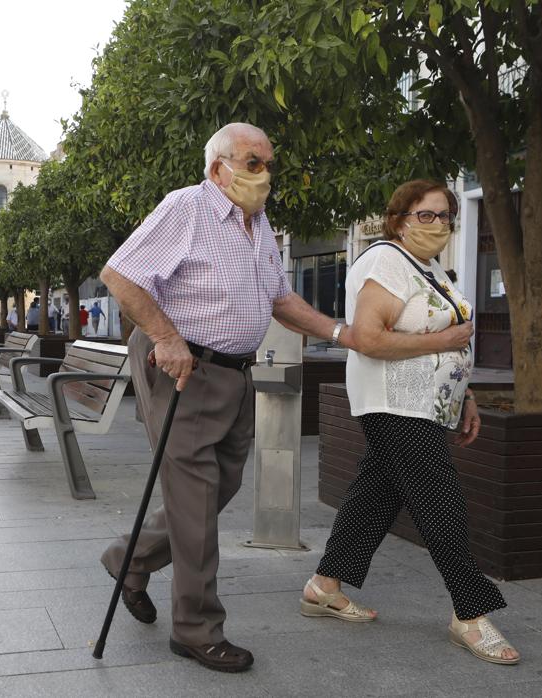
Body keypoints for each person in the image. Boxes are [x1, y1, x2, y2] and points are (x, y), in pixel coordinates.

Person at [98, 123, 384, 672]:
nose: (264, 174)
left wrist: (341, 334)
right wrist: (165, 335)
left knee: (217, 488)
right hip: (182, 368)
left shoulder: (258, 225)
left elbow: (279, 297)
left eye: (269, 164)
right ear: (218, 168)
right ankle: (197, 627)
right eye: (253, 162)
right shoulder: (187, 208)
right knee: (198, 499)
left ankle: (127, 560)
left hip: (232, 373)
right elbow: (121, 274)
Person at [304, 180, 518, 665]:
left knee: (375, 495)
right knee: (440, 502)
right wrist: (441, 346)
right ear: (399, 218)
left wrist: (466, 396)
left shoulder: (429, 268)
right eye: (426, 215)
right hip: (393, 403)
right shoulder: (384, 261)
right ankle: (470, 613)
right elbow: (368, 339)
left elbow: (451, 337)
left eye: (445, 216)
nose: (438, 225)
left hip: (428, 404)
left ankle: (324, 584)